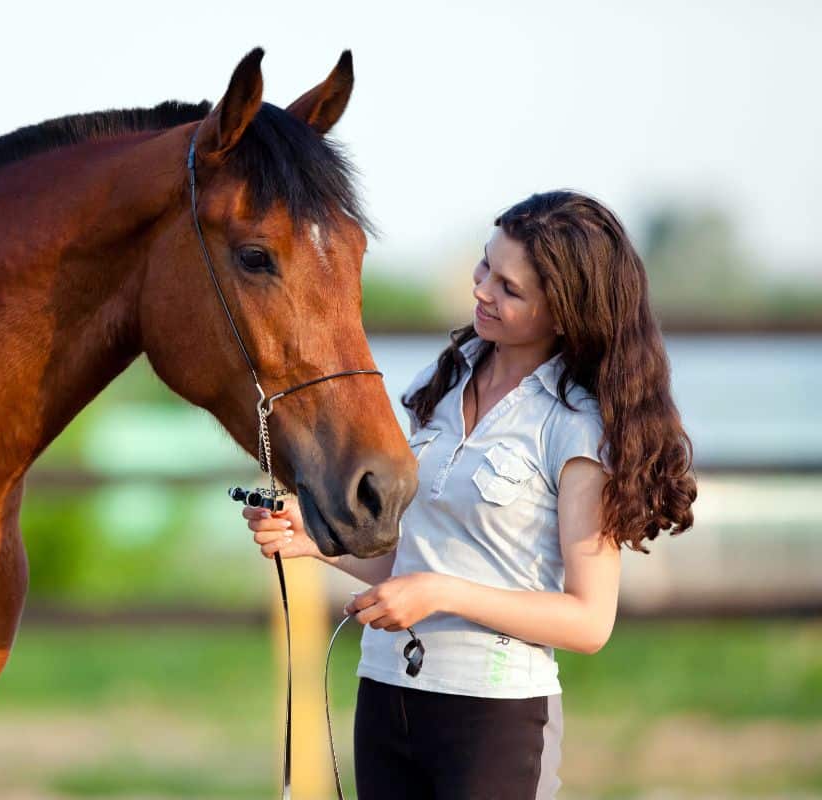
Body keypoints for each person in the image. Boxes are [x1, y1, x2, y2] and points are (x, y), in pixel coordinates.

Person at [243, 190, 697, 799]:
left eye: (510, 289)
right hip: (385, 696)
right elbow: (409, 559)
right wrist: (313, 538)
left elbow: (589, 621)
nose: (482, 289)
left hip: (494, 718)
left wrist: (439, 594)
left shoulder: (576, 426)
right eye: (486, 266)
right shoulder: (440, 383)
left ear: (562, 313)